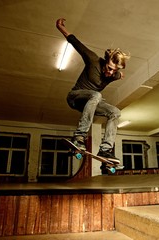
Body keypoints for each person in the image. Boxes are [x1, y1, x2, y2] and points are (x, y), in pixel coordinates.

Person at [56, 18, 130, 161]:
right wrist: (60, 27)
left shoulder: (114, 74)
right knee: (97, 95)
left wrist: (120, 74)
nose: (110, 73)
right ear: (106, 60)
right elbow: (75, 43)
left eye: (114, 71)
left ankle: (106, 149)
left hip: (90, 103)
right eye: (109, 68)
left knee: (115, 112)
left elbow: (119, 73)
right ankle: (79, 136)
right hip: (75, 97)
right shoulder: (93, 60)